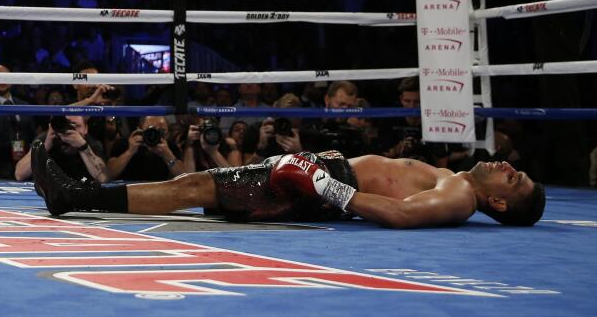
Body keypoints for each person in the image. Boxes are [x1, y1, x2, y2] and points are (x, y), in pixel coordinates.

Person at [31, 142, 546, 229]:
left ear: (498, 200)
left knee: (193, 188)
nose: (505, 164)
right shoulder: (455, 180)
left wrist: (323, 182)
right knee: (198, 186)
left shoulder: (457, 196)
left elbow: (401, 215)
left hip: (328, 183)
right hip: (326, 177)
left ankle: (72, 195)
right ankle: (75, 193)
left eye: (512, 177)